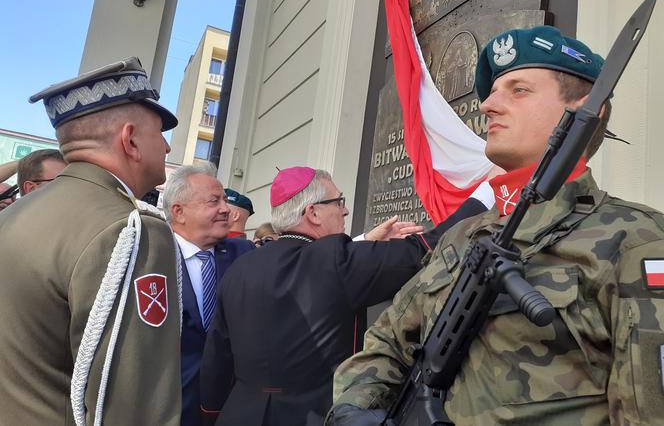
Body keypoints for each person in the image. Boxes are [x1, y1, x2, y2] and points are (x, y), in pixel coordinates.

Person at [328, 26, 664, 425]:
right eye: (493, 92)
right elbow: (388, 340)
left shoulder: (637, 240)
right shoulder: (460, 236)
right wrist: (355, 409)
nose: (487, 105)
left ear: (586, 110)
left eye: (518, 90)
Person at [200, 166, 489, 425]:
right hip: (314, 416)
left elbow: (217, 359)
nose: (345, 210)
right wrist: (490, 189)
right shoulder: (337, 261)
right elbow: (425, 247)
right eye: (338, 202)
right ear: (313, 212)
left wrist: (211, 414)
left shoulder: (241, 266)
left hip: (238, 414)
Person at [0, 57, 183, 424]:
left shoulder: (13, 215)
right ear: (130, 139)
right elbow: (138, 408)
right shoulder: (131, 229)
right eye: (160, 133)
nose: (166, 148)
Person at [163, 163, 255, 426]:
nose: (226, 209)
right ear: (179, 212)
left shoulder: (243, 252)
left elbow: (295, 265)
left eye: (225, 200)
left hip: (227, 409)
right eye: (214, 201)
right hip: (169, 409)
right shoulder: (149, 256)